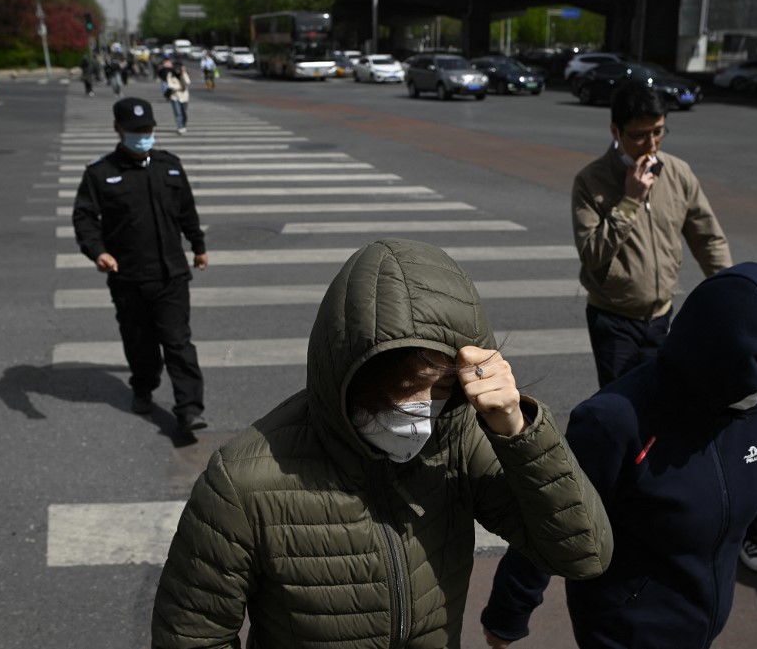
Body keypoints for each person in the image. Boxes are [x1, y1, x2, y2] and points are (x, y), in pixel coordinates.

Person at [150, 238, 613, 649]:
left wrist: (518, 429)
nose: (418, 411)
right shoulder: (243, 481)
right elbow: (194, 635)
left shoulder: (459, 441)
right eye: (400, 389)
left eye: (439, 389)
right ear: (347, 377)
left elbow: (582, 554)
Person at [481, 262, 757, 649]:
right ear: (717, 362)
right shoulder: (614, 420)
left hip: (703, 625)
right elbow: (556, 518)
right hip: (624, 628)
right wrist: (509, 612)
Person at [572, 82, 732, 388]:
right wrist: (629, 201)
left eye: (658, 131)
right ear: (615, 131)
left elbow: (708, 238)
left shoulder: (678, 172)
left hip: (662, 316)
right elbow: (592, 254)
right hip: (613, 319)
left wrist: (729, 291)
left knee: (661, 405)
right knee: (621, 409)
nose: (651, 144)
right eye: (639, 135)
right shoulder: (591, 181)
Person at [72, 97, 207, 431]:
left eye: (147, 129)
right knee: (140, 344)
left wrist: (199, 246)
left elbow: (187, 210)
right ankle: (143, 387)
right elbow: (84, 218)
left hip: (171, 274)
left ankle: (189, 408)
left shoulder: (170, 165)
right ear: (118, 130)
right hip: (128, 277)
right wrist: (97, 252)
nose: (142, 135)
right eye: (135, 130)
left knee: (178, 342)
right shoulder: (100, 173)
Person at [165, 60, 190, 135]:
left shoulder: (184, 73)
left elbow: (188, 82)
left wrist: (183, 73)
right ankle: (180, 127)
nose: (177, 69)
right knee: (178, 113)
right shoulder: (170, 74)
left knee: (184, 113)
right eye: (176, 67)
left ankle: (183, 125)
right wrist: (178, 87)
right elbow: (169, 85)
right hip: (175, 96)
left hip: (184, 97)